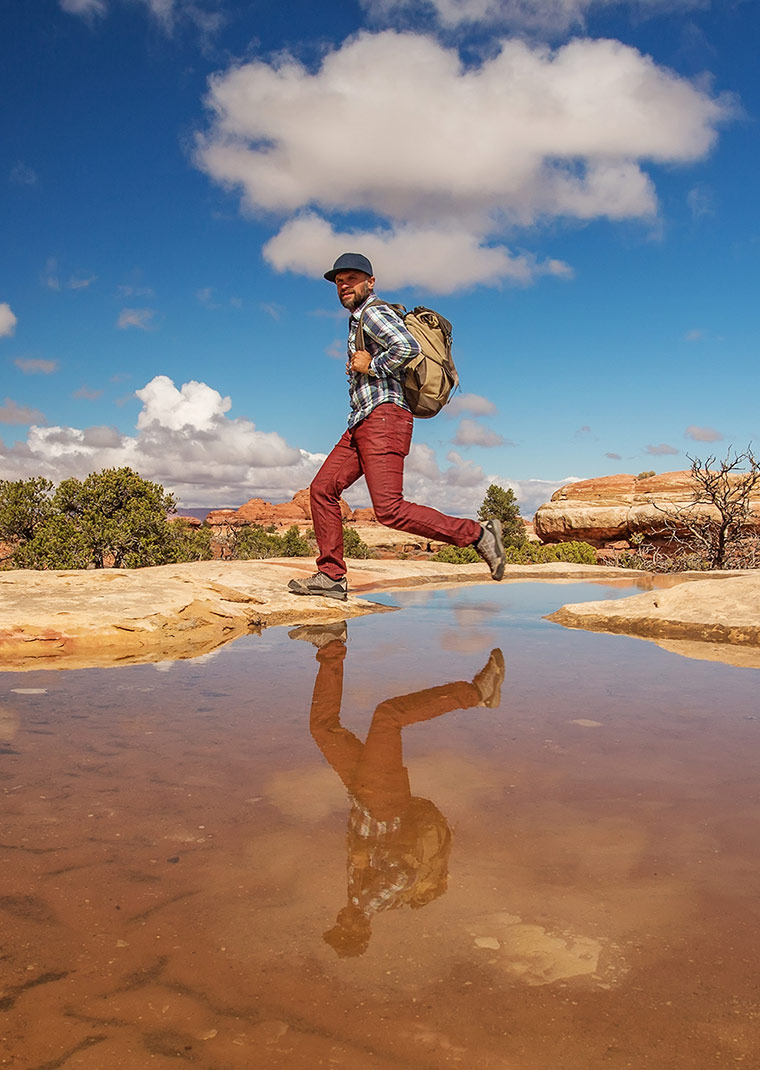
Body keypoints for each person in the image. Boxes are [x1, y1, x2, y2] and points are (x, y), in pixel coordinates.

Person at [288, 252, 506, 602]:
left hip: (383, 419)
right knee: (322, 490)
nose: (344, 286)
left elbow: (407, 347)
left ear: (370, 282)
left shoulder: (373, 312)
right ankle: (331, 576)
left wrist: (371, 364)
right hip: (363, 421)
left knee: (389, 509)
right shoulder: (358, 319)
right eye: (339, 281)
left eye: (351, 279)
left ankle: (478, 535)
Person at [290, 621, 505, 956]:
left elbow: (367, 849)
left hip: (362, 793)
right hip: (382, 802)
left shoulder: (355, 898)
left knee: (323, 728)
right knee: (388, 716)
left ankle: (331, 644)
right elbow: (402, 874)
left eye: (337, 925)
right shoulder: (367, 903)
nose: (341, 921)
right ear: (362, 930)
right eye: (345, 929)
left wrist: (360, 851)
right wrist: (368, 856)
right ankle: (477, 693)